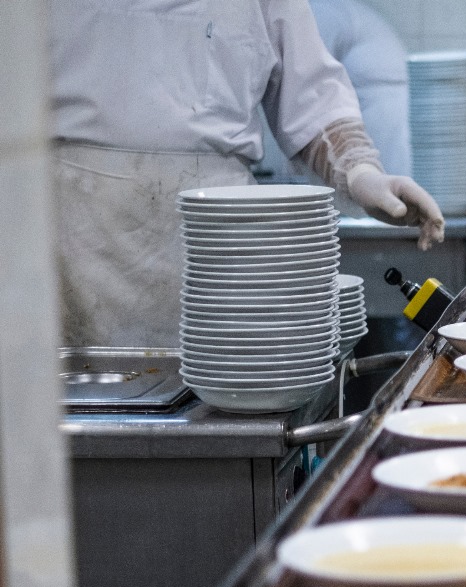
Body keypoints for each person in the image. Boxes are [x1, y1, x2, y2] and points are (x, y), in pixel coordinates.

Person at [49, 0, 444, 349]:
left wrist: (360, 172)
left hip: (217, 245)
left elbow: (313, 99)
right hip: (73, 241)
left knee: (222, 394)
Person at [310, 0, 411, 177]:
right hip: (387, 126)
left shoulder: (325, 9)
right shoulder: (337, 9)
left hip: (381, 127)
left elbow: (309, 91)